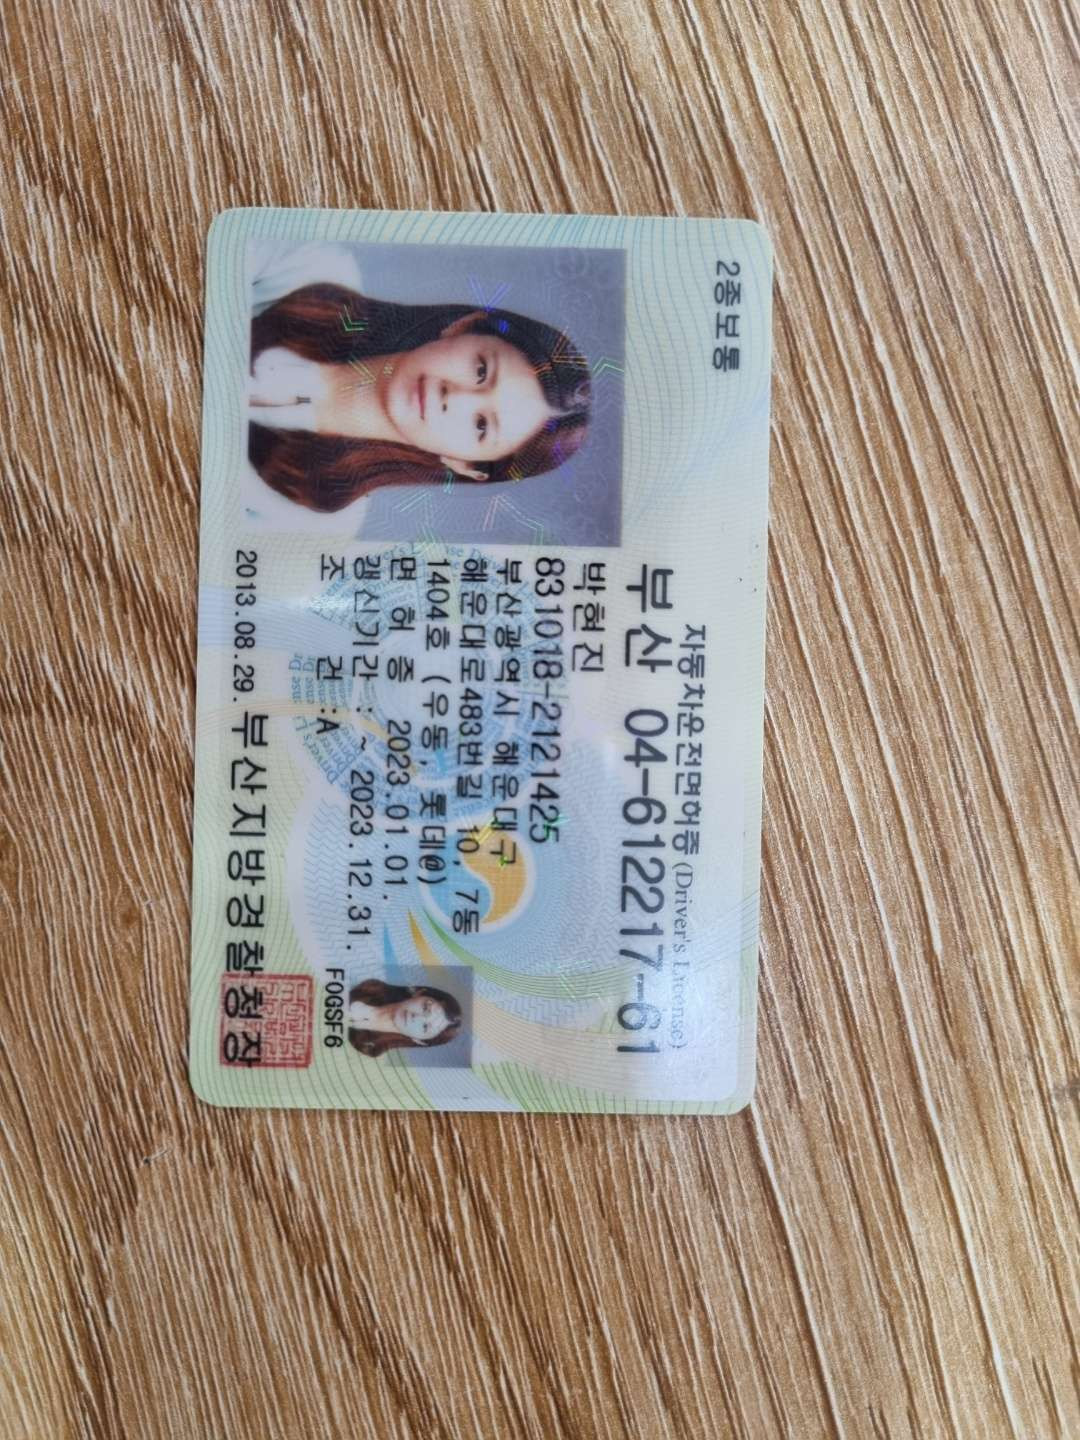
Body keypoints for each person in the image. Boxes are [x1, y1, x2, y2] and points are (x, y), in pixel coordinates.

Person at [246, 240, 592, 512]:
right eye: (481, 370)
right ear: (463, 326)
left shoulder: (313, 522)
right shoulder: (313, 266)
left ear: (467, 465)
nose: (454, 397)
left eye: (481, 425)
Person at [347, 978, 463, 1058]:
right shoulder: (368, 986)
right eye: (425, 1008)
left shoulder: (369, 1049)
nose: (416, 1017)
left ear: (419, 1040)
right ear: (419, 994)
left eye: (425, 1027)